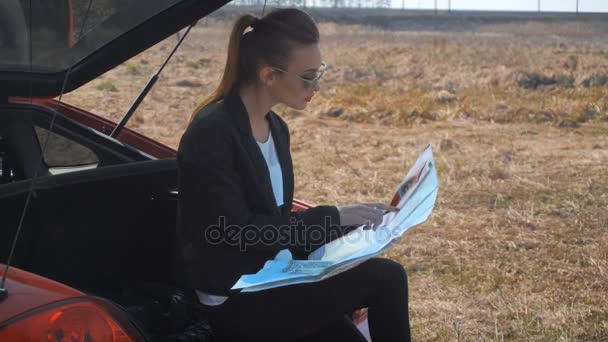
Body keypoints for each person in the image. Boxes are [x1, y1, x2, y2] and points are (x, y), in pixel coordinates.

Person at [176, 8, 411, 342]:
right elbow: (241, 232)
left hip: (276, 276)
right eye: (308, 76)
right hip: (236, 297)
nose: (316, 85)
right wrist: (334, 217)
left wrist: (352, 230)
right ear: (269, 75)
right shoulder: (211, 134)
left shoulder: (276, 128)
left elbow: (276, 222)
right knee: (387, 278)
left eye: (320, 72)